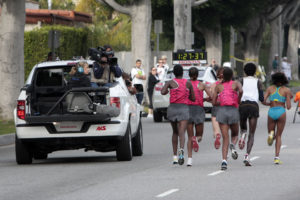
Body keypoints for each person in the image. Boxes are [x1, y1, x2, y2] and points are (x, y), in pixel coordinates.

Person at [161, 64, 195, 165]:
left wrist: (168, 90)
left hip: (172, 108)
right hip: (183, 108)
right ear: (183, 73)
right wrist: (185, 94)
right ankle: (181, 150)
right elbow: (193, 98)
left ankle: (175, 156)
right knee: (182, 132)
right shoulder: (188, 83)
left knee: (174, 132)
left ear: (173, 73)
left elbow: (163, 92)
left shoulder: (170, 82)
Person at [212, 67, 243, 170]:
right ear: (232, 75)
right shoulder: (236, 84)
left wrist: (221, 101)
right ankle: (233, 146)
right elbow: (241, 91)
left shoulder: (218, 86)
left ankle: (224, 161)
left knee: (225, 138)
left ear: (222, 76)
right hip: (233, 111)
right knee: (234, 134)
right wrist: (238, 99)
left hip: (222, 112)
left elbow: (213, 102)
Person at [263, 72, 292, 164]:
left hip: (271, 111)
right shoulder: (286, 90)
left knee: (271, 132)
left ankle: (271, 134)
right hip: (281, 112)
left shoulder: (270, 89)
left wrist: (269, 104)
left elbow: (263, 100)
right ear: (283, 80)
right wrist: (288, 99)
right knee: (279, 136)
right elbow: (288, 107)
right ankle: (276, 157)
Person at [238, 63, 264, 166]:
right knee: (252, 134)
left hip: (243, 105)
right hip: (253, 106)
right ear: (255, 72)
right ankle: (247, 156)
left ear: (244, 71)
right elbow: (261, 98)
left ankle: (242, 136)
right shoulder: (258, 82)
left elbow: (237, 93)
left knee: (244, 129)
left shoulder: (241, 80)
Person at [186, 67, 212, 166]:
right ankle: (196, 140)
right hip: (198, 109)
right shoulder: (202, 85)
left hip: (187, 109)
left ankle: (189, 159)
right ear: (197, 75)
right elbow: (211, 96)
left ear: (188, 75)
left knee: (189, 137)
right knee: (200, 135)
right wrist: (204, 99)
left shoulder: (186, 84)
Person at [210, 67, 224, 149]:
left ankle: (217, 135)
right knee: (225, 132)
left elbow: (212, 98)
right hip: (226, 108)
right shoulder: (229, 85)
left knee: (216, 130)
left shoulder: (213, 85)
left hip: (216, 108)